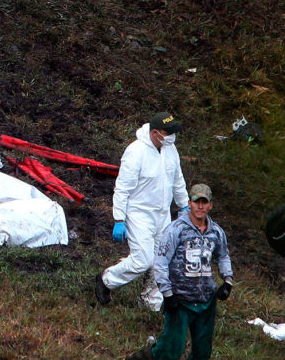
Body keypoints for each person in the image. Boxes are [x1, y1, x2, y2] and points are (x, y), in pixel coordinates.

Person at [126, 184, 234, 360]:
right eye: (196, 202)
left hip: (206, 301)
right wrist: (167, 294)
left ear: (210, 205)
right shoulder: (175, 229)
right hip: (180, 300)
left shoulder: (216, 232)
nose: (200, 206)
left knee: (202, 351)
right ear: (189, 203)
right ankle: (143, 357)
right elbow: (161, 261)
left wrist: (228, 281)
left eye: (204, 202)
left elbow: (223, 256)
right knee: (171, 349)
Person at [96, 112, 190, 310]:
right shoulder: (136, 152)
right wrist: (119, 218)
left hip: (162, 214)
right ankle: (107, 280)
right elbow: (122, 188)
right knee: (142, 260)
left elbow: (177, 180)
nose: (173, 136)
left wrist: (184, 205)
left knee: (162, 259)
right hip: (140, 214)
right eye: (168, 132)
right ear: (155, 133)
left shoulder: (170, 149)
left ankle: (151, 301)